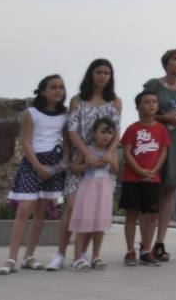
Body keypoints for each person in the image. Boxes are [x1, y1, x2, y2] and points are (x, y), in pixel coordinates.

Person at [49, 58, 122, 271]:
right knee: (72, 207)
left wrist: (108, 154)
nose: (102, 76)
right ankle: (60, 253)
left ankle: (82, 254)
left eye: (106, 73)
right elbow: (72, 130)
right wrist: (86, 153)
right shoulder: (77, 100)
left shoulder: (115, 102)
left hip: (103, 163)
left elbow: (116, 132)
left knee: (94, 211)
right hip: (80, 159)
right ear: (91, 74)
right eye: (99, 72)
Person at [0, 75, 69, 275]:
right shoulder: (32, 112)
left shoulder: (65, 115)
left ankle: (30, 256)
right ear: (44, 91)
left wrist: (64, 161)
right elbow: (26, 142)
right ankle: (11, 258)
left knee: (41, 212)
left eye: (61, 87)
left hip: (53, 165)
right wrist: (37, 166)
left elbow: (67, 141)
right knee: (24, 210)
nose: (58, 91)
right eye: (53, 87)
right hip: (33, 164)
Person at [144, 48, 176, 262]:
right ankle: (144, 242)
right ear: (166, 62)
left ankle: (160, 241)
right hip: (156, 139)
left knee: (169, 191)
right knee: (153, 189)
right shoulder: (154, 85)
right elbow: (145, 109)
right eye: (175, 59)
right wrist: (166, 118)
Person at [120, 90, 170, 266]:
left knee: (151, 215)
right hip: (132, 178)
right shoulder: (133, 128)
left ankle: (146, 249)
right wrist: (139, 171)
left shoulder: (161, 129)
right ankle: (129, 250)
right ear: (138, 106)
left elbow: (163, 151)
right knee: (132, 213)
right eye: (147, 102)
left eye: (154, 102)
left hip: (152, 178)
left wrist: (153, 171)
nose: (151, 105)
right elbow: (127, 152)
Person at [69, 117, 118, 270]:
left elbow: (116, 171)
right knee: (84, 224)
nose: (106, 136)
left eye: (110, 133)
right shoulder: (87, 150)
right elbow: (74, 168)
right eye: (103, 132)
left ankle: (96, 256)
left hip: (104, 189)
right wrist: (89, 164)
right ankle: (77, 257)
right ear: (95, 133)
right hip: (89, 188)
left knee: (99, 225)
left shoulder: (111, 151)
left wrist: (110, 161)